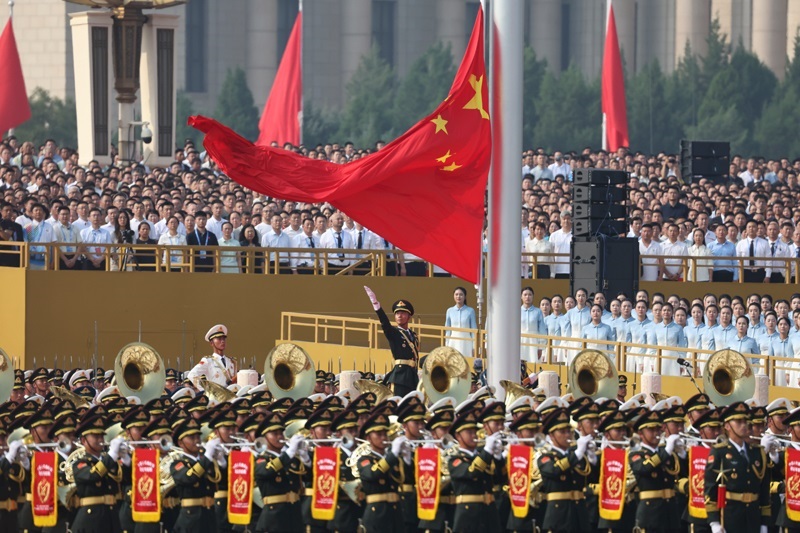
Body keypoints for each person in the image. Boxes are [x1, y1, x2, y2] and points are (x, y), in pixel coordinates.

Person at [704, 402, 771, 533]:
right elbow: (710, 489)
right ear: (727, 426)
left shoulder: (757, 452)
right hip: (730, 517)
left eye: (745, 421)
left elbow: (764, 491)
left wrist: (764, 523)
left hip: (753, 517)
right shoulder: (719, 452)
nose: (744, 425)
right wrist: (714, 522)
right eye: (739, 422)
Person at [537, 407, 592, 533]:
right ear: (551, 435)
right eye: (562, 432)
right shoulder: (545, 458)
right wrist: (578, 453)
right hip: (559, 518)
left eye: (569, 431)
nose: (567, 435)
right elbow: (555, 470)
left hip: (579, 515)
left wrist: (592, 457)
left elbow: (590, 478)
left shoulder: (577, 457)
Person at [448, 407, 502, 533]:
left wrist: (498, 457)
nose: (474, 435)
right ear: (458, 436)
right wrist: (487, 451)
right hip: (468, 518)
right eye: (469, 432)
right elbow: (472, 472)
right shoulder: (455, 460)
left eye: (475, 432)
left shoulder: (483, 457)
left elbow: (500, 479)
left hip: (489, 515)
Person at [628, 409, 681, 533]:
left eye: (658, 429)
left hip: (670, 512)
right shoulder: (636, 454)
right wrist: (667, 451)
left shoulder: (667, 453)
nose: (656, 433)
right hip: (650, 513)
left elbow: (681, 473)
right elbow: (644, 468)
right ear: (640, 433)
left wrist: (682, 454)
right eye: (651, 430)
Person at [71, 415, 124, 533]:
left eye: (101, 436)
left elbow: (122, 480)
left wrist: (126, 459)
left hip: (111, 517)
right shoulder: (79, 463)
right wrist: (112, 455)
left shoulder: (109, 462)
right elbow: (93, 475)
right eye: (95, 436)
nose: (100, 439)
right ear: (83, 441)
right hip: (91, 520)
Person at [356, 411, 407, 533]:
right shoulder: (364, 460)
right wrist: (392, 455)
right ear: (368, 438)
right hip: (377, 515)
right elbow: (372, 474)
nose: (383, 438)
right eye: (379, 434)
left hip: (396, 513)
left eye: (385, 434)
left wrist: (407, 458)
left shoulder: (394, 459)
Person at [364, 286, 419, 396]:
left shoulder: (413, 335)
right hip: (400, 377)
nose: (399, 316)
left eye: (403, 313)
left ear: (409, 316)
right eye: (397, 313)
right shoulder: (394, 333)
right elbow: (385, 324)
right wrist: (376, 305)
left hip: (412, 377)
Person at [186, 324, 237, 389]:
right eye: (219, 339)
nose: (222, 341)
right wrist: (206, 390)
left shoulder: (231, 361)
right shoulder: (208, 361)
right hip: (216, 395)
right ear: (211, 343)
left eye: (224, 339)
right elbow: (192, 375)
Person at [445, 286, 477, 357]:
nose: (458, 296)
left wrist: (474, 347)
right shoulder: (449, 311)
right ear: (454, 296)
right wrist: (446, 345)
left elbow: (473, 331)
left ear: (465, 297)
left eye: (461, 294)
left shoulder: (470, 311)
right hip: (453, 341)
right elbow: (447, 330)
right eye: (456, 294)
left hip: (466, 342)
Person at [520, 287, 546, 362]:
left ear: (533, 296)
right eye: (525, 295)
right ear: (521, 297)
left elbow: (542, 330)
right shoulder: (517, 310)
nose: (527, 297)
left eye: (530, 295)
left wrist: (540, 347)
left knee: (533, 362)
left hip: (534, 341)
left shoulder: (538, 311)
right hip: (521, 340)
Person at [52, 205, 81, 270]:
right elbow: (55, 246)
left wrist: (74, 259)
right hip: (60, 257)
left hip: (74, 257)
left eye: (67, 214)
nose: (65, 216)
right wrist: (65, 260)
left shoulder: (75, 228)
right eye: (63, 214)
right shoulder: (55, 228)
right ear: (58, 216)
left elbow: (80, 244)